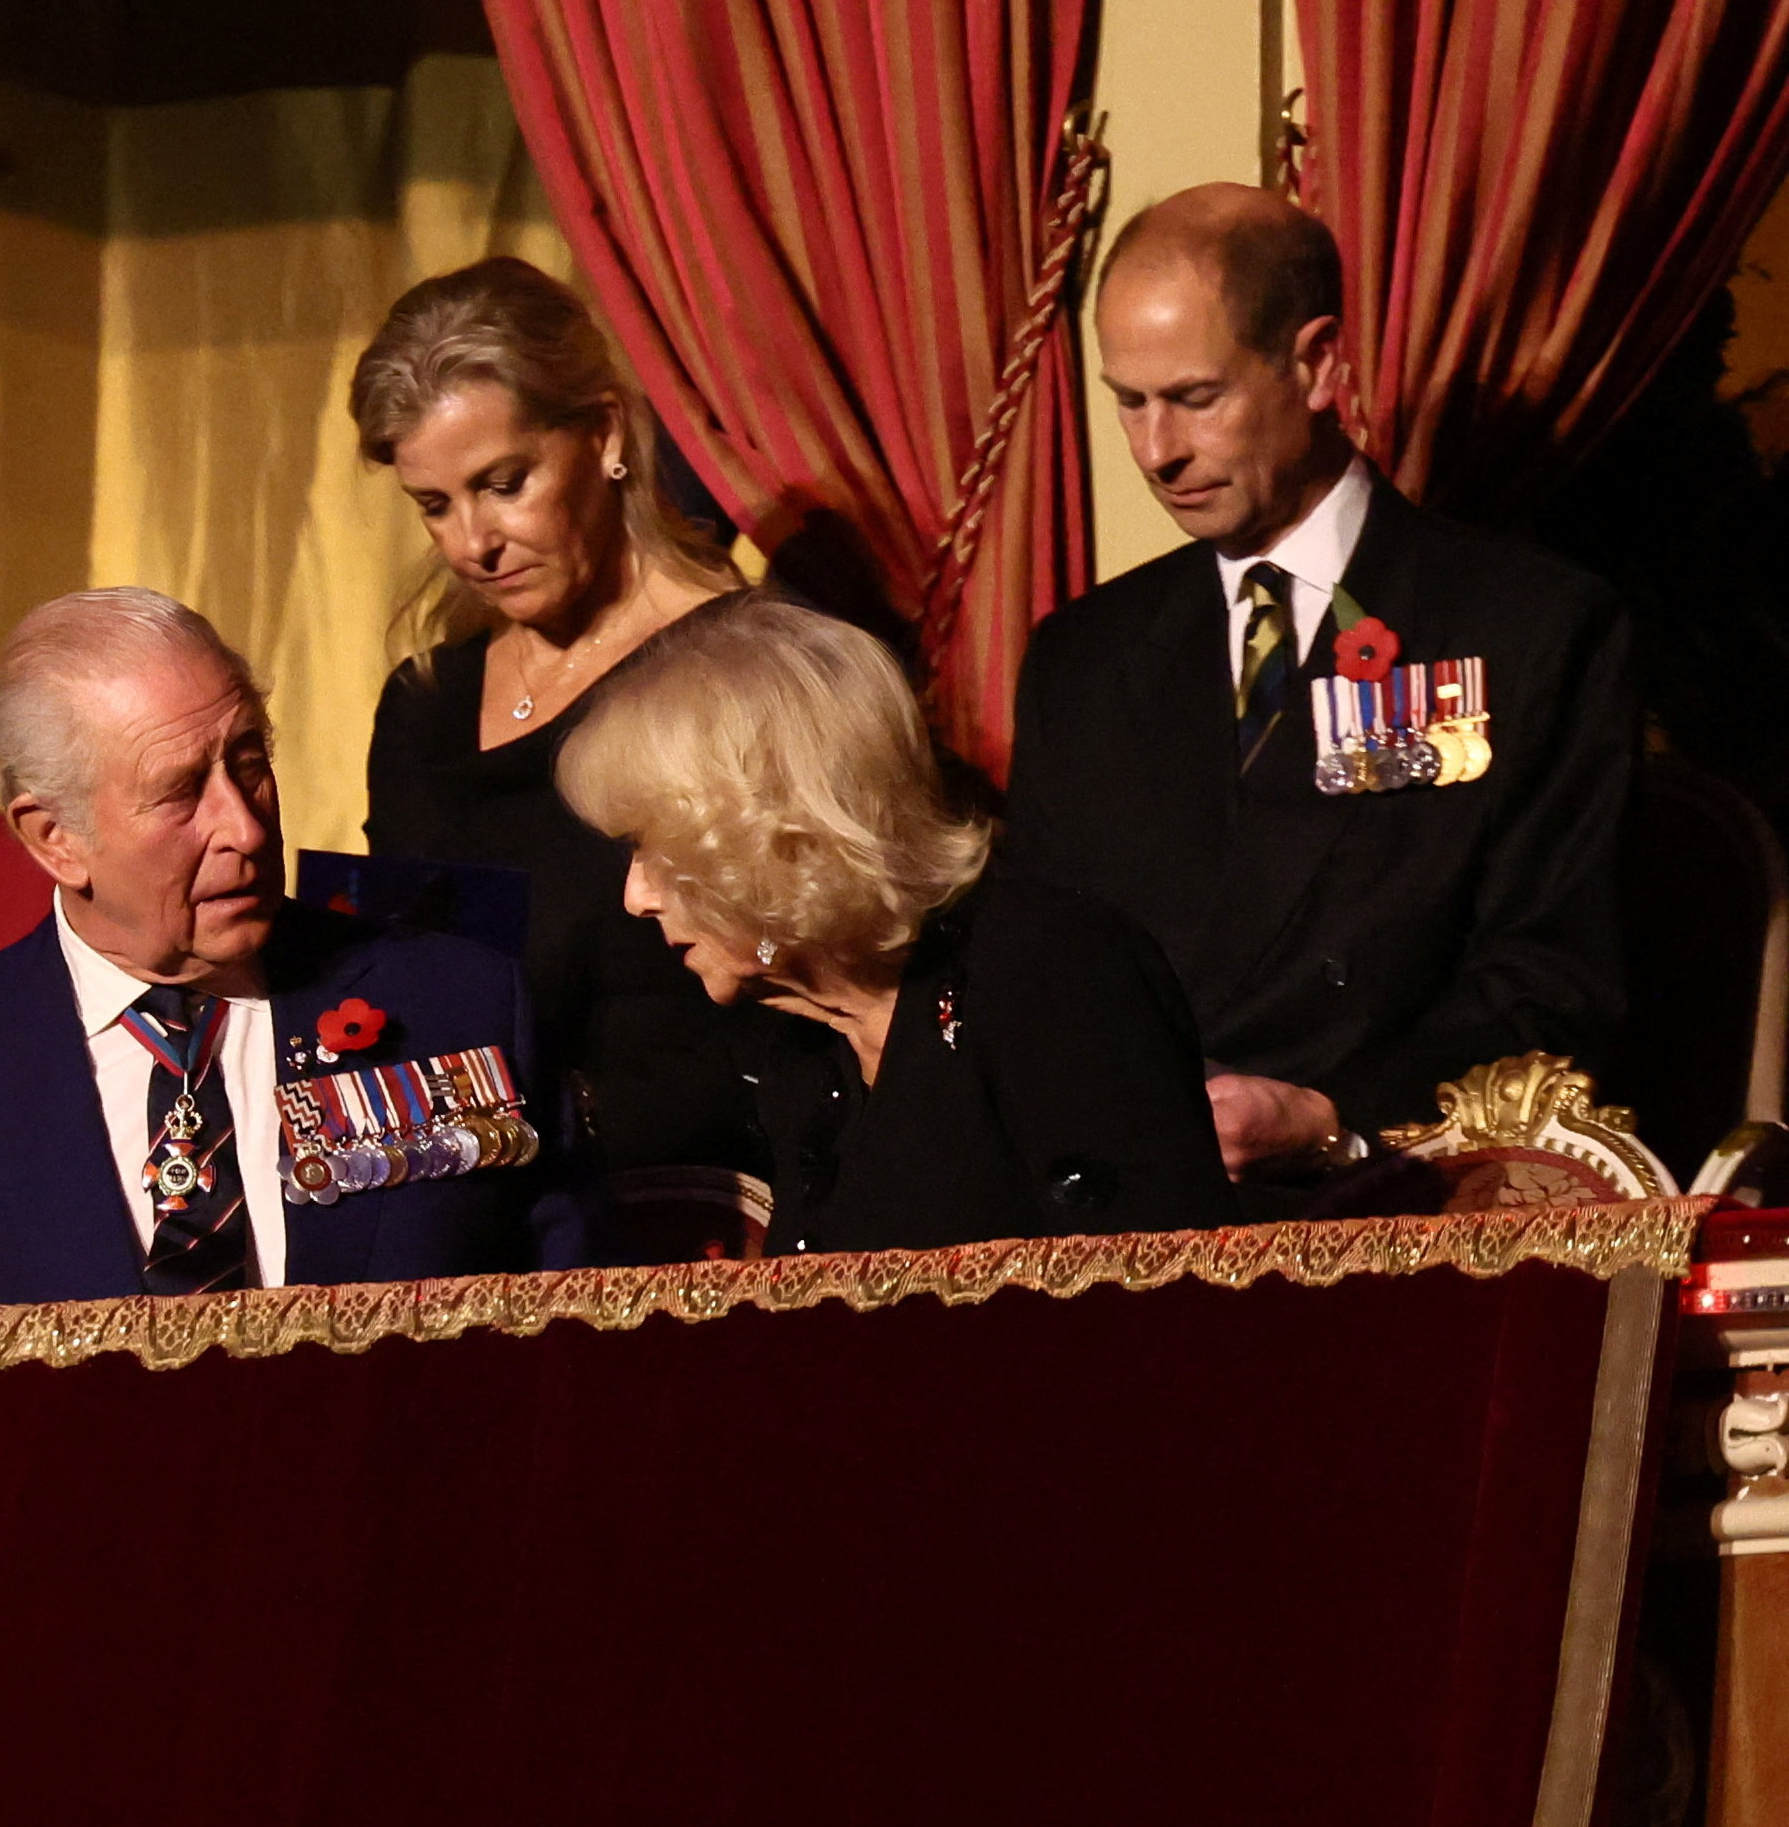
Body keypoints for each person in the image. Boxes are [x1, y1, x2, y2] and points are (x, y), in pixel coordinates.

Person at [1008, 185, 1637, 1174]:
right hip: (1125, 1220)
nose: (1156, 451)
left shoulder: (1529, 628)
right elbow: (1038, 981)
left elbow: (1554, 984)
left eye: (1195, 397)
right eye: (1128, 400)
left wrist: (1332, 1118)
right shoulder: (1080, 661)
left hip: (1401, 1202)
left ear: (1316, 364)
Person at [0, 587, 581, 1316]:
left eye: (249, 764)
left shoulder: (459, 1006)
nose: (243, 829)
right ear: (55, 838)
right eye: (179, 793)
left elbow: (581, 1339)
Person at [559, 594, 1235, 1255]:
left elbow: (1153, 1300)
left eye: (652, 846)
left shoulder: (1050, 970)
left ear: (770, 837)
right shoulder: (805, 1053)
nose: (635, 898)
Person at [349, 256, 755, 1183]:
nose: (471, 544)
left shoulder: (744, 669)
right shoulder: (424, 706)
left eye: (503, 482)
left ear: (606, 432)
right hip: (476, 1205)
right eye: (433, 507)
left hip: (702, 1204)